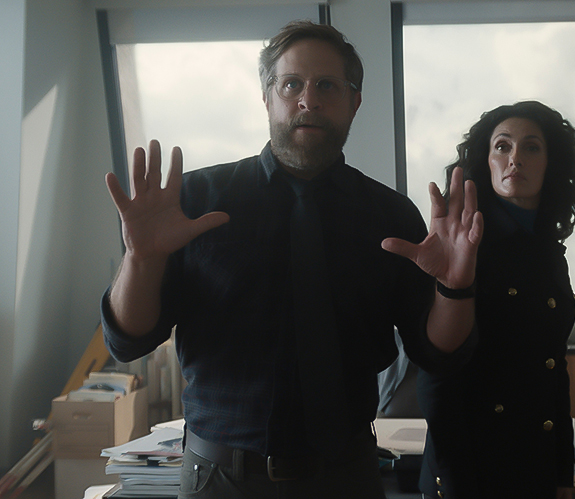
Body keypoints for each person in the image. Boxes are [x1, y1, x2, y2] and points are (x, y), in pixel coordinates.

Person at [101, 20, 482, 499]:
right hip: (221, 479)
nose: (308, 100)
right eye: (291, 84)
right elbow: (128, 339)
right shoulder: (194, 202)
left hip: (348, 477)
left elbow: (439, 354)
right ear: (267, 97)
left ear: (355, 101)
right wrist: (141, 258)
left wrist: (454, 287)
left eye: (327, 85)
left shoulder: (390, 215)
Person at [417, 101, 575, 499]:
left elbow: (553, 370)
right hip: (471, 470)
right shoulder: (462, 248)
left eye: (531, 147)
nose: (515, 158)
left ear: (551, 164)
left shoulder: (547, 250)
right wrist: (455, 485)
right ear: (486, 160)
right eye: (502, 146)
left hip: (534, 467)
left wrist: (562, 474)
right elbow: (437, 380)